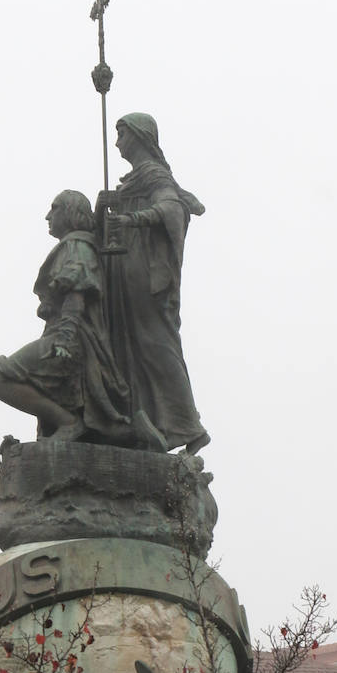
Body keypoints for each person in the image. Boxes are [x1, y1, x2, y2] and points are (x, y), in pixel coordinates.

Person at [0, 190, 164, 451]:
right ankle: (132, 431)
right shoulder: (78, 244)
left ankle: (68, 423)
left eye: (54, 208)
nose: (48, 216)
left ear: (70, 212)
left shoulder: (76, 245)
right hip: (67, 336)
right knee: (94, 420)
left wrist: (65, 339)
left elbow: (77, 290)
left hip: (69, 337)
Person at [97, 113, 210, 455]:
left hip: (144, 273)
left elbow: (171, 209)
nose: (116, 143)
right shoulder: (138, 179)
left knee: (155, 343)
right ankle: (145, 421)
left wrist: (131, 219)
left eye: (121, 135)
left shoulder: (153, 174)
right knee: (130, 345)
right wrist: (110, 204)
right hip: (128, 269)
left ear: (138, 136)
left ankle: (188, 425)